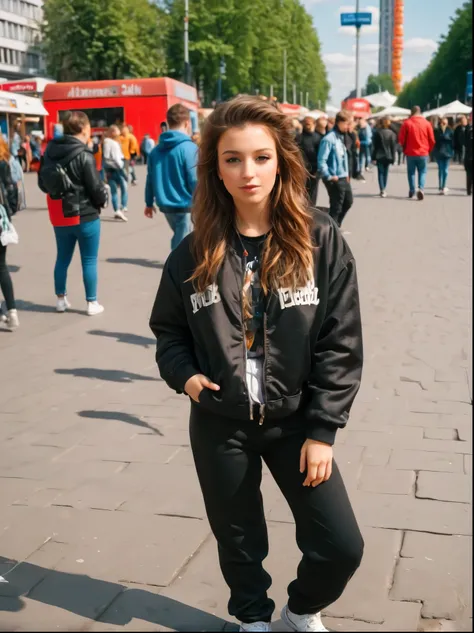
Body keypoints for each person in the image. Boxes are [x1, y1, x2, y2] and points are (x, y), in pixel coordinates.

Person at [149, 95, 364, 633]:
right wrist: (189, 380)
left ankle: (300, 609)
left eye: (262, 157)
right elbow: (168, 332)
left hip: (296, 421)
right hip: (222, 423)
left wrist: (323, 429)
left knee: (340, 545)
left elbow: (341, 340)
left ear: (282, 161)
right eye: (233, 158)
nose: (249, 172)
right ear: (215, 168)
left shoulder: (319, 239)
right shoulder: (193, 253)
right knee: (238, 537)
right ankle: (252, 618)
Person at [38, 111, 108, 316]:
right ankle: (91, 302)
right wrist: (102, 200)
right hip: (85, 214)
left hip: (59, 214)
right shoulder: (84, 155)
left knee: (62, 258)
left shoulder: (49, 152)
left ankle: (61, 299)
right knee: (88, 259)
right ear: (84, 129)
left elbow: (42, 184)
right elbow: (95, 188)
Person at [144, 104, 198, 251]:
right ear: (187, 123)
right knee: (182, 244)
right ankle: (177, 270)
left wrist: (149, 203)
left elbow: (150, 179)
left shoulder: (155, 151)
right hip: (186, 204)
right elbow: (194, 179)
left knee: (181, 237)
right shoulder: (189, 148)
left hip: (165, 205)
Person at [318, 110, 353, 227]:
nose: (349, 127)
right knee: (336, 207)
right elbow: (321, 160)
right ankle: (332, 230)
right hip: (334, 177)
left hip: (343, 176)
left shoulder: (341, 137)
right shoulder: (329, 139)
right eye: (347, 124)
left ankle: (336, 226)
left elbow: (344, 157)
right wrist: (329, 176)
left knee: (348, 202)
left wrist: (347, 173)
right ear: (339, 122)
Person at [0, 138, 19, 330]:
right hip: (0, 217)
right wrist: (9, 211)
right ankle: (12, 311)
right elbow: (11, 188)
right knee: (1, 267)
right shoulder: (4, 163)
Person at [398, 105, 435, 201]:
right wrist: (429, 150)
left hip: (410, 152)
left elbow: (401, 139)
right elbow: (432, 140)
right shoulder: (427, 123)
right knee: (422, 171)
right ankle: (421, 188)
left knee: (411, 173)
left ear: (411, 112)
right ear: (420, 112)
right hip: (423, 152)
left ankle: (412, 190)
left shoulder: (407, 123)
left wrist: (404, 147)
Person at [102, 125, 128, 221]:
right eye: (117, 131)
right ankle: (122, 207)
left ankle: (117, 209)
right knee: (124, 188)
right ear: (112, 132)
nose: (119, 133)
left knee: (114, 191)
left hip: (109, 169)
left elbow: (105, 157)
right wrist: (121, 166)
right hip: (118, 168)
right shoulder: (112, 143)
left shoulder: (106, 142)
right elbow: (116, 158)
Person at [297, 116, 323, 206]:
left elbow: (321, 155)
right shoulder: (299, 138)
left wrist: (318, 169)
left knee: (313, 192)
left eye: (309, 124)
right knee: (302, 192)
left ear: (314, 124)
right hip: (302, 169)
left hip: (315, 169)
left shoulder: (319, 138)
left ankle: (311, 209)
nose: (307, 126)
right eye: (306, 123)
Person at [371, 117, 397, 198]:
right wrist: (394, 158)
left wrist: (373, 157)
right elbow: (393, 147)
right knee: (386, 173)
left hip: (379, 155)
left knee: (380, 173)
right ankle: (384, 188)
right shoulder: (392, 134)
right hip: (388, 155)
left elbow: (374, 146)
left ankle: (382, 189)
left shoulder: (377, 133)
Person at [434, 117, 454, 195]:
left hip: (447, 153)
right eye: (442, 123)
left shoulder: (450, 131)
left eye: (444, 123)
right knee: (440, 169)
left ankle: (444, 185)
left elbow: (453, 141)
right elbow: (435, 140)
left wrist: (453, 151)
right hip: (439, 153)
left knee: (445, 170)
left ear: (447, 124)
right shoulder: (437, 131)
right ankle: (440, 186)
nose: (443, 124)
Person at [464, 117, 472, 196]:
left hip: (469, 155)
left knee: (469, 174)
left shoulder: (467, 129)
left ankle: (469, 190)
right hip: (469, 155)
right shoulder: (467, 129)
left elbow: (464, 142)